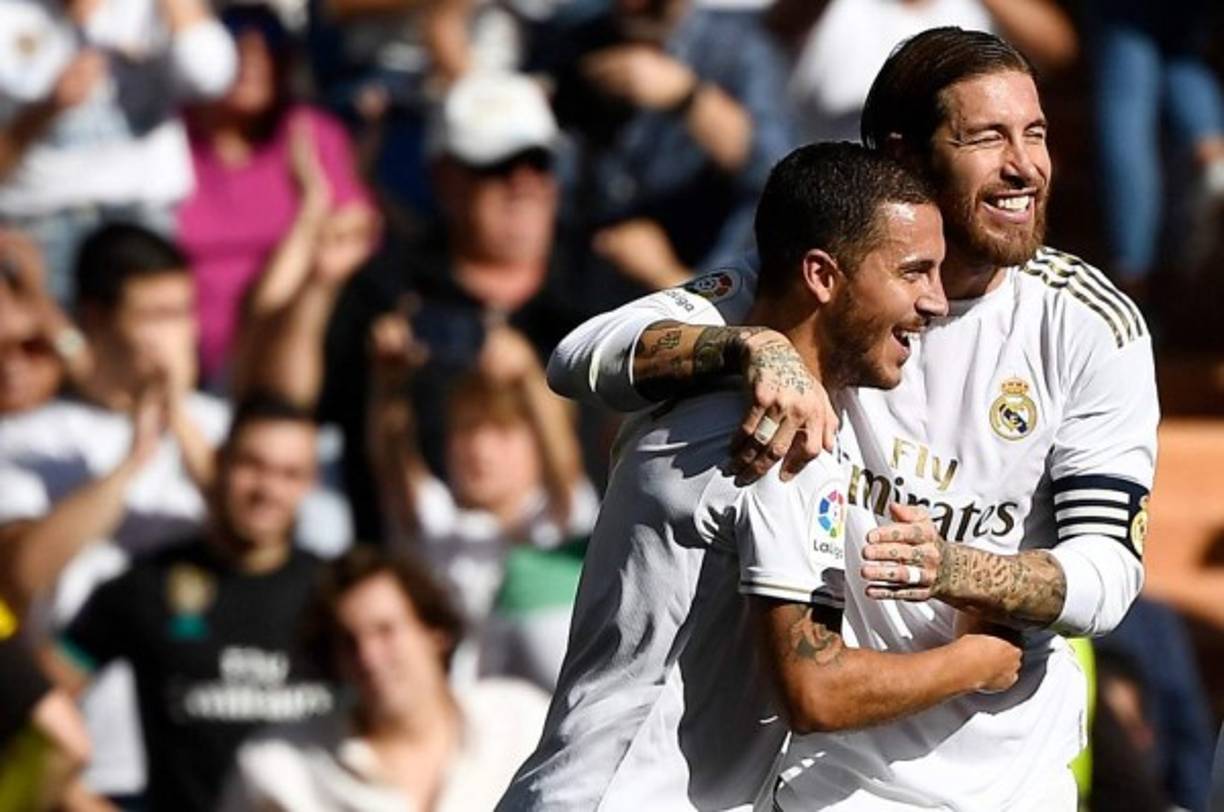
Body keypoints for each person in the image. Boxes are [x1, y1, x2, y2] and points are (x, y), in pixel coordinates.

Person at [546, 27, 1157, 809]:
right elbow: (583, 353)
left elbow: (1109, 576)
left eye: (1034, 133)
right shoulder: (820, 303)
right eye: (987, 137)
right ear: (902, 157)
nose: (1025, 165)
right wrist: (755, 349)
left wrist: (953, 569)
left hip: (1007, 773)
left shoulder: (1087, 326)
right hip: (829, 779)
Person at [499, 142, 1023, 811]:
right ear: (823, 276)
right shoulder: (779, 439)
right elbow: (816, 690)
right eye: (914, 272)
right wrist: (979, 660)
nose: (936, 303)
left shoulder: (702, 384)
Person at [321, 70, 590, 536]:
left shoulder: (604, 283)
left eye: (539, 163)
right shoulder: (384, 290)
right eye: (497, 166)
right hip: (421, 578)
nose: (523, 183)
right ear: (444, 177)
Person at [40, 395, 337, 812]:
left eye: (290, 474)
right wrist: (74, 797)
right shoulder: (147, 586)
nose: (267, 490)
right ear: (219, 461)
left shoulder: (337, 593)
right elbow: (32, 698)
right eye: (252, 465)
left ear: (312, 483)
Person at [219, 544, 549, 811]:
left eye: (386, 631)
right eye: (349, 642)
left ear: (434, 633)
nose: (370, 658)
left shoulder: (523, 722)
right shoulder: (278, 766)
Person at [367, 317, 597, 689]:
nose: (479, 450)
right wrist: (388, 386)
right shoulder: (438, 526)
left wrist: (528, 377)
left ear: (538, 442)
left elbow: (564, 460)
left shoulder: (562, 521)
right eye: (465, 431)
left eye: (503, 432)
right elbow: (392, 463)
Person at [178, 3, 371, 386]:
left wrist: (315, 212)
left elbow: (354, 231)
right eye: (234, 35)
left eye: (269, 38)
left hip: (293, 349)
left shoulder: (312, 133)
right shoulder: (168, 133)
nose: (252, 56)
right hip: (187, 351)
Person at [0, 0, 237, 301]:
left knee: (150, 343)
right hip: (42, 225)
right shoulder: (8, 16)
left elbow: (209, 76)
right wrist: (44, 110)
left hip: (140, 215)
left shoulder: (146, 9)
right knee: (59, 345)